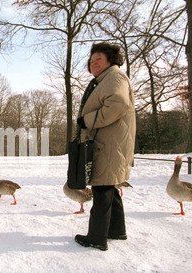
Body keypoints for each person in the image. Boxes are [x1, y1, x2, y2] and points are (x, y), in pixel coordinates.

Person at [74, 42, 136, 251]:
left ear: (110, 59)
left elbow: (116, 105)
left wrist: (87, 120)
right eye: (91, 61)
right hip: (109, 142)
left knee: (102, 188)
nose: (93, 63)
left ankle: (96, 237)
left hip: (109, 144)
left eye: (98, 58)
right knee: (109, 186)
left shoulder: (115, 78)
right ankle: (116, 230)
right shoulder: (106, 79)